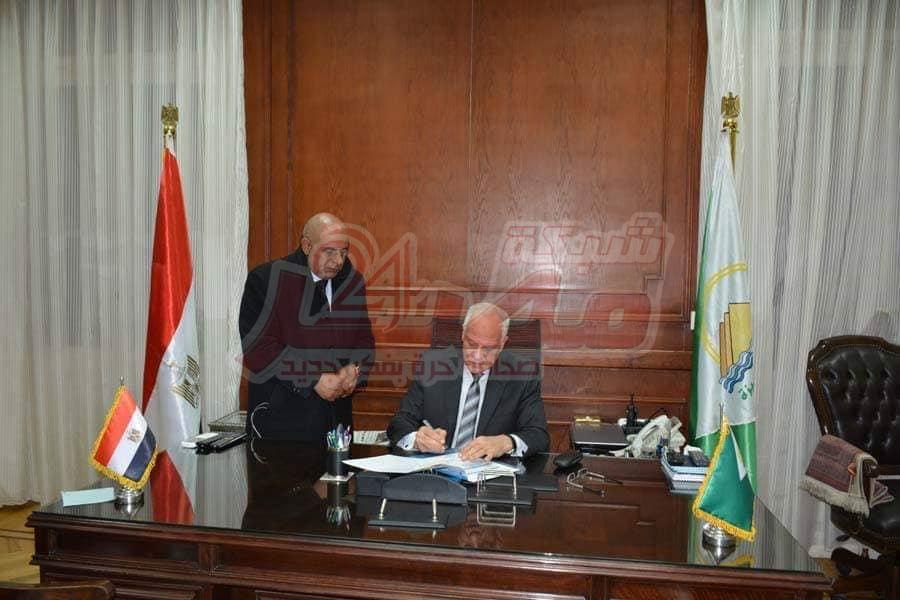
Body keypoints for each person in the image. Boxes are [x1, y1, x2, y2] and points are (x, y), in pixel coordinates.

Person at [240, 213, 375, 441]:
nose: (338, 261)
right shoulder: (266, 280)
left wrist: (355, 370)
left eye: (343, 252)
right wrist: (313, 380)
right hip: (282, 424)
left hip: (337, 424)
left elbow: (364, 340)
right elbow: (259, 348)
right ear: (306, 246)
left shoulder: (352, 282)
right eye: (329, 251)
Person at [387, 302, 549, 459]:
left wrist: (506, 442)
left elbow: (538, 435)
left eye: (488, 348)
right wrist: (417, 439)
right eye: (471, 344)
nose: (477, 356)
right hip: (434, 469)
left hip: (488, 472)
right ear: (463, 335)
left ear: (502, 343)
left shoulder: (523, 375)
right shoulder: (433, 366)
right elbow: (400, 421)